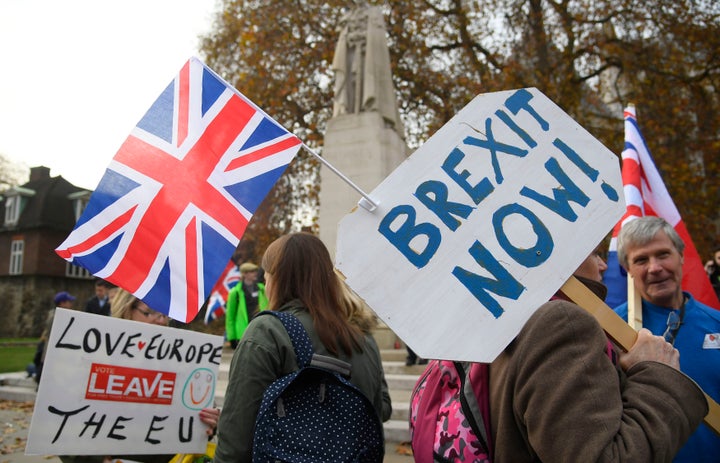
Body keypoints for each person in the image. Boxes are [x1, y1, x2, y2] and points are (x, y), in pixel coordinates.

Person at [487, 249, 707, 462]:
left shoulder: (496, 328)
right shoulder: (562, 321)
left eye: (663, 255)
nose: (603, 265)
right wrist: (657, 373)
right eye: (593, 254)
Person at [214, 233, 391, 463]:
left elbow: (237, 442)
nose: (266, 286)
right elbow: (382, 409)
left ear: (278, 279)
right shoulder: (365, 338)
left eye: (266, 278)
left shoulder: (269, 331)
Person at [58, 290, 220, 463]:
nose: (161, 320)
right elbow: (63, 431)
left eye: (166, 314)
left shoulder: (184, 364)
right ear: (125, 311)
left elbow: (198, 424)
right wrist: (96, 459)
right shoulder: (91, 362)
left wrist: (209, 423)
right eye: (149, 312)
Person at [614, 216, 720, 462]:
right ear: (628, 270)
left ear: (681, 256)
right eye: (641, 260)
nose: (654, 267)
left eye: (662, 254)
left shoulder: (716, 322)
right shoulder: (612, 331)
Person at [34, 291, 76, 383]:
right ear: (62, 303)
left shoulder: (61, 315)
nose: (71, 304)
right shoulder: (55, 316)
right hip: (52, 352)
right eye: (69, 302)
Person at [225, 261, 267, 349]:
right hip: (243, 334)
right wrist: (232, 338)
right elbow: (230, 318)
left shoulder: (262, 289)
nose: (255, 273)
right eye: (252, 272)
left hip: (261, 332)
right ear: (244, 274)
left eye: (255, 271)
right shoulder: (235, 293)